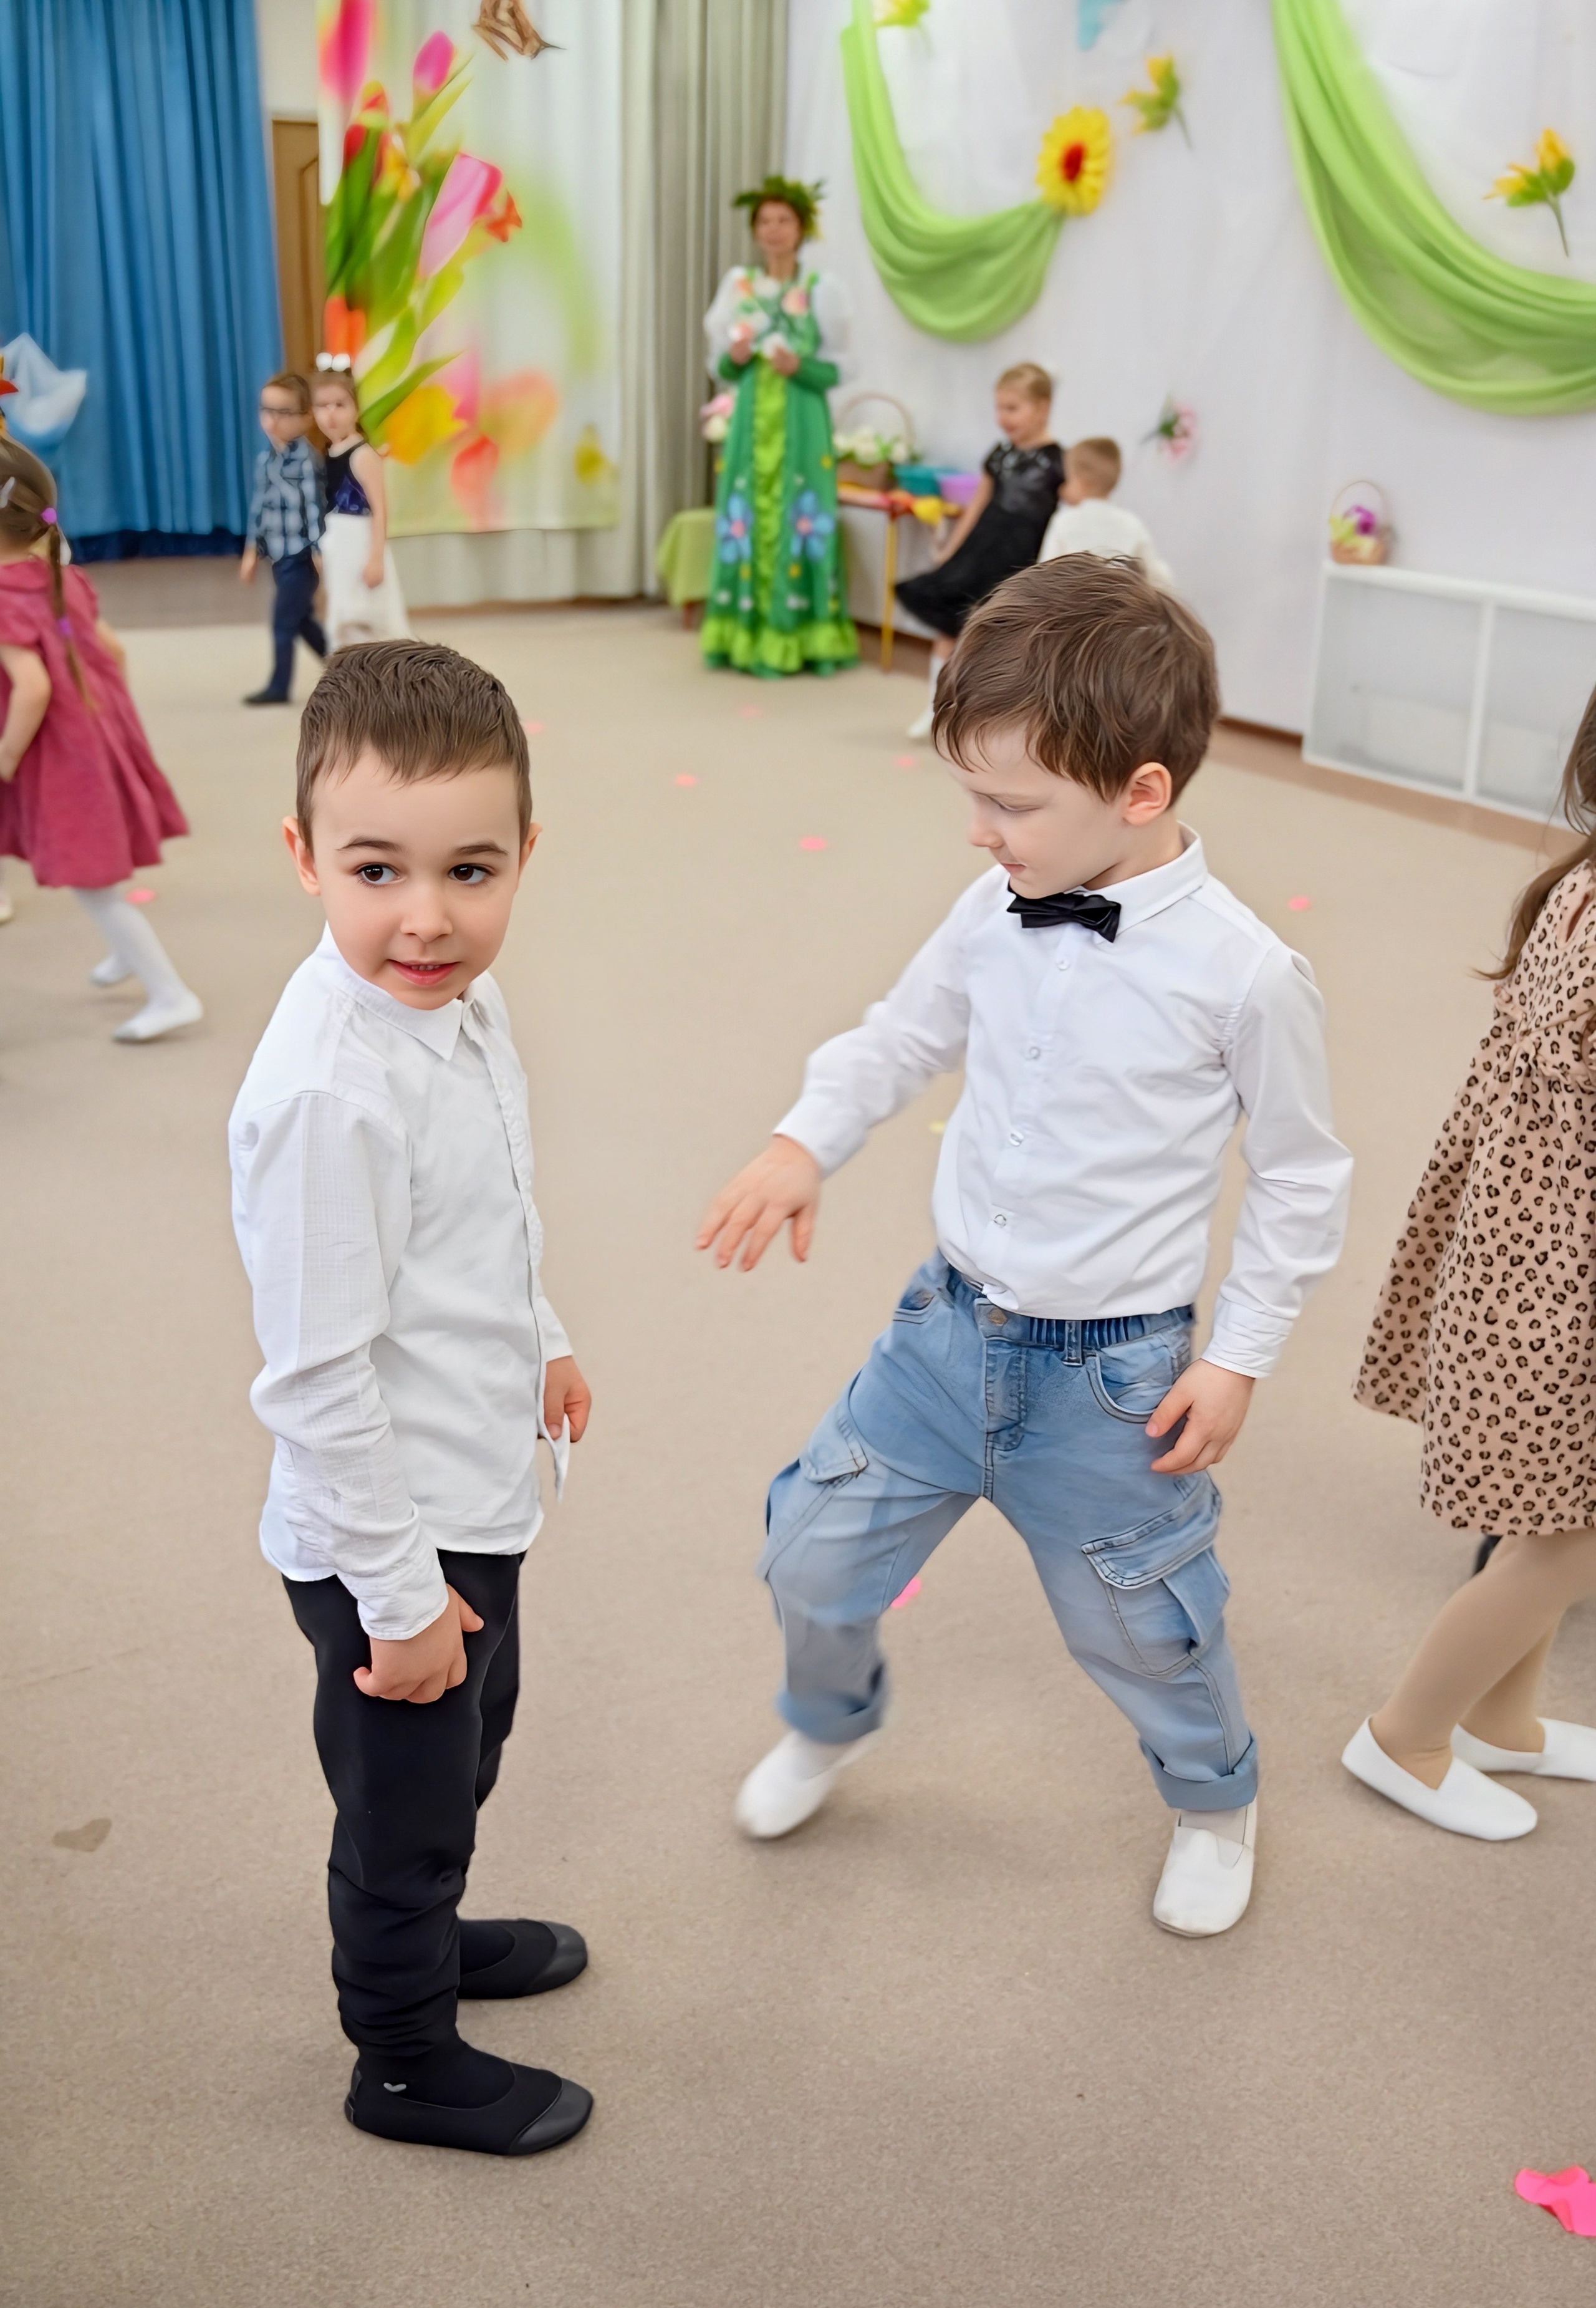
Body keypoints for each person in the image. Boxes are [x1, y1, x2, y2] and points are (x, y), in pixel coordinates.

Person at [698, 556, 1352, 1938]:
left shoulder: (1242, 975)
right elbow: (902, 1034)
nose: (979, 833)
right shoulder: (993, 907)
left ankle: (1213, 1802)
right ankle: (831, 1718)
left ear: (1141, 792)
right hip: (941, 1337)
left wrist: (1234, 1360)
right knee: (807, 1556)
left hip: (1114, 1384)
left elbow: (1298, 1180)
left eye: (1008, 804)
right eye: (971, 797)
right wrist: (801, 1139)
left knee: (1145, 1627)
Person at [228, 642, 595, 2155]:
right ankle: (398, 2047)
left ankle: (435, 1929)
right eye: (376, 869)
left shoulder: (455, 1002)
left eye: (470, 867)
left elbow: (483, 1219)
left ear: (524, 854)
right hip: (391, 1527)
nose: (426, 915)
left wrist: (542, 1333)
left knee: (475, 1737)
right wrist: (397, 1600)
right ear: (304, 855)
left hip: (470, 1478)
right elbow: (315, 1374)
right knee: (402, 1805)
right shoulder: (330, 1088)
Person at [1347, 687, 1596, 1840]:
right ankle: (1407, 1732)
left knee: (1561, 1513)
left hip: (1542, 1258)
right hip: (1557, 1280)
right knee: (1572, 1532)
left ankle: (1506, 1721)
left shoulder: (1580, 887)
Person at [0, 436, 203, 1041]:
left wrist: (8, 755)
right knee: (100, 869)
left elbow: (31, 687)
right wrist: (106, 722)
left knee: (93, 885)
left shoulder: (4, 597)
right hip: (95, 735)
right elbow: (109, 650)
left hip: (61, 753)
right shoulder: (62, 578)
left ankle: (170, 994)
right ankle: (125, 953)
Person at [700, 175, 858, 677]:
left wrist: (802, 369)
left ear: (802, 228)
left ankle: (803, 633)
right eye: (764, 220)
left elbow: (844, 366)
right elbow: (720, 367)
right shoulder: (738, 286)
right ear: (755, 229)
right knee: (745, 514)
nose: (773, 230)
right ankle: (743, 633)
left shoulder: (822, 291)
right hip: (750, 422)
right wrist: (737, 357)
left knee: (802, 515)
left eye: (784, 220)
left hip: (802, 420)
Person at [898, 364, 1065, 740]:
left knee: (1007, 640)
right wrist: (950, 550)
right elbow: (977, 506)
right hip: (981, 551)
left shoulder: (1059, 462)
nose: (1002, 418)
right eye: (999, 408)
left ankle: (1000, 720)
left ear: (1042, 408)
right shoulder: (998, 456)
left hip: (1021, 559)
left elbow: (1068, 516)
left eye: (1012, 409)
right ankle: (934, 708)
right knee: (949, 625)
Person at [309, 369, 410, 650]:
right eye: (322, 406)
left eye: (340, 405)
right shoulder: (328, 453)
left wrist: (376, 558)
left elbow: (380, 510)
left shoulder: (363, 455)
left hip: (360, 543)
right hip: (338, 545)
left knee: (371, 617)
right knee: (343, 616)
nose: (331, 414)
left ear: (355, 409)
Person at [241, 372, 325, 706]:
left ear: (306, 418)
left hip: (301, 557)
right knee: (302, 620)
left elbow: (315, 510)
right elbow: (258, 510)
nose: (272, 420)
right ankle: (342, 666)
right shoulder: (266, 460)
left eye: (283, 413)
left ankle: (279, 686)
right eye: (266, 410)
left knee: (283, 621)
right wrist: (251, 552)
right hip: (278, 555)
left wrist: (320, 554)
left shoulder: (306, 462)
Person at [1039, 438, 1174, 589]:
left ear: (1081, 482)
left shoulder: (1063, 521)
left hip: (1073, 607)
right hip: (1122, 606)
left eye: (1068, 480)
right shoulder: (1131, 523)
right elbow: (1161, 579)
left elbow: (1044, 575)